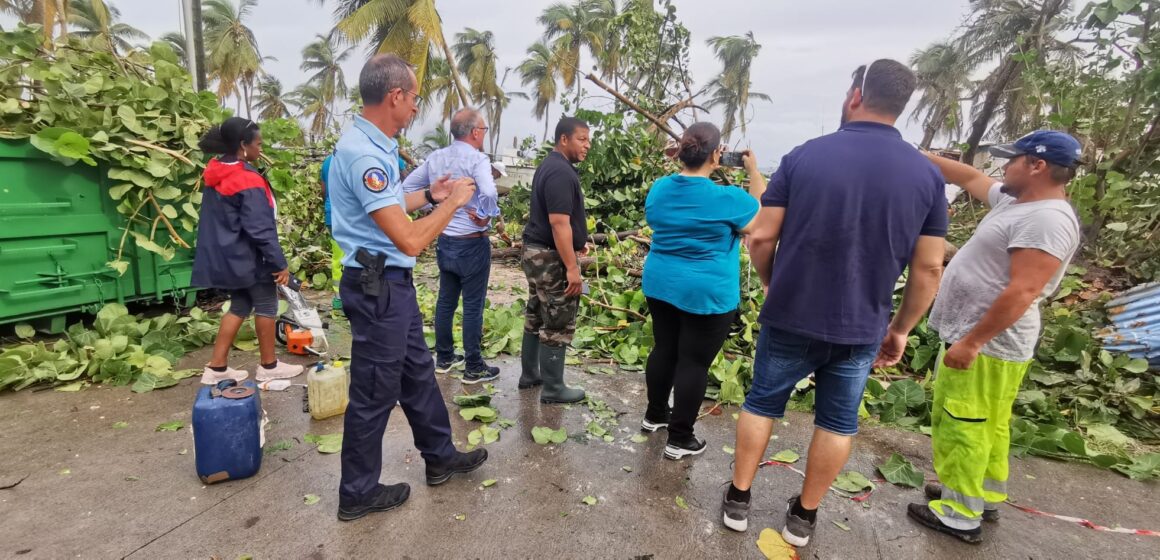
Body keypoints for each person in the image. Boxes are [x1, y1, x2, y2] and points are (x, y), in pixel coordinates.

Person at [721, 59, 948, 546]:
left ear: (855, 96)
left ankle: (738, 501)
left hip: (790, 314)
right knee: (837, 421)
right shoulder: (926, 176)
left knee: (762, 404)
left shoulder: (806, 156)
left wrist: (772, 283)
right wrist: (902, 328)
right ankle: (803, 518)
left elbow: (760, 237)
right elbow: (929, 269)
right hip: (862, 326)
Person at [328, 54, 486, 522]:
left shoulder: (373, 145)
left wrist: (430, 195)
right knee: (375, 390)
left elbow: (390, 207)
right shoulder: (363, 154)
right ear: (395, 96)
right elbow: (411, 239)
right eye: (414, 97)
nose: (416, 106)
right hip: (378, 286)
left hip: (389, 284)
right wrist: (455, 202)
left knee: (417, 373)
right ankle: (356, 492)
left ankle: (439, 457)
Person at [909, 131, 1082, 544]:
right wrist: (911, 154)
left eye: (1012, 160)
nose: (1004, 167)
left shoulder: (1046, 220)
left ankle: (958, 514)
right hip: (981, 339)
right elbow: (968, 177)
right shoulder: (1016, 201)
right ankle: (981, 496)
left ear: (1037, 166)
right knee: (989, 424)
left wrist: (973, 341)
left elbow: (1023, 289)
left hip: (987, 344)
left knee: (963, 422)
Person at [640, 122, 764, 460]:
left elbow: (656, 219)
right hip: (706, 293)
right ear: (716, 154)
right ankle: (680, 438)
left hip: (660, 283)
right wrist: (753, 171)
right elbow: (759, 219)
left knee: (664, 348)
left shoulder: (659, 189)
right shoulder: (729, 199)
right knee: (693, 363)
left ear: (682, 151)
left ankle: (655, 415)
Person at [191, 117, 304, 385]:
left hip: (228, 255)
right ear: (243, 145)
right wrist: (279, 263)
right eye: (258, 144)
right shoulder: (246, 178)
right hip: (249, 255)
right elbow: (260, 228)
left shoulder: (216, 170)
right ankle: (268, 366)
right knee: (266, 304)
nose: (260, 149)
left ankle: (216, 367)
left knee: (240, 305)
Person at [402, 108, 502, 384]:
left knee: (445, 300)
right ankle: (473, 366)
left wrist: (432, 202)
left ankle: (444, 357)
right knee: (472, 305)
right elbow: (491, 192)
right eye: (483, 130)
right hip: (471, 243)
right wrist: (485, 213)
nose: (483, 135)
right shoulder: (477, 159)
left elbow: (408, 187)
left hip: (445, 240)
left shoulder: (436, 158)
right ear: (474, 133)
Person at [519, 117, 592, 404]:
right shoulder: (561, 172)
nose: (587, 145)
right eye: (581, 139)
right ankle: (553, 388)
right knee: (558, 319)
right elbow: (559, 223)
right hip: (549, 256)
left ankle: (530, 374)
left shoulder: (551, 166)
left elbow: (562, 223)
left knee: (537, 311)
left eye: (588, 139)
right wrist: (572, 267)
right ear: (564, 139)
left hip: (536, 252)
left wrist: (577, 242)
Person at [321, 154, 343, 311]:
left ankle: (338, 300)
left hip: (332, 215)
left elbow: (323, 190)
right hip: (349, 216)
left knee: (338, 257)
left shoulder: (328, 161)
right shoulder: (353, 157)